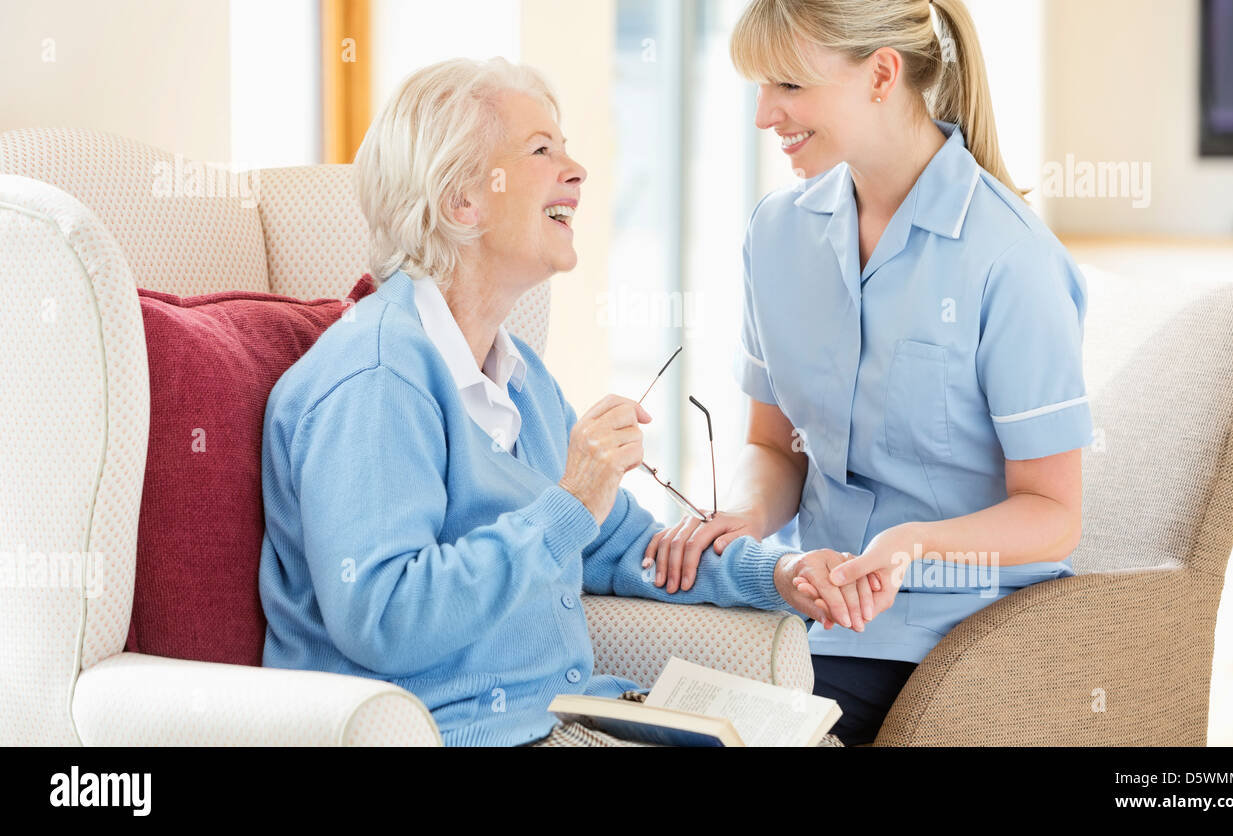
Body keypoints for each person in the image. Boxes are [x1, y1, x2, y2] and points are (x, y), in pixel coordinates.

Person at [258, 56, 859, 747]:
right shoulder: (377, 378)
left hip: (560, 718)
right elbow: (385, 618)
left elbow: (625, 547)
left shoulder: (520, 378)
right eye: (542, 150)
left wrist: (778, 573)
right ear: (462, 201)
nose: (576, 170)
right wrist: (568, 504)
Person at [644, 0, 1092, 746]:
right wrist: (741, 516)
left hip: (963, 637)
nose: (763, 114)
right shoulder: (778, 234)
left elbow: (1054, 514)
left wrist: (911, 548)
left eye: (788, 84)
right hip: (816, 617)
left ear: (883, 74)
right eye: (757, 85)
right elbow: (774, 446)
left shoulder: (1009, 259)